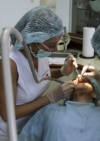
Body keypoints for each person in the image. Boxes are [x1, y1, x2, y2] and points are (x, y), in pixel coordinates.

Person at [0, 6, 77, 140]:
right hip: (8, 134)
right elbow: (7, 114)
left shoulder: (38, 53)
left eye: (57, 44)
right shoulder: (9, 64)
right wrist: (51, 97)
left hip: (29, 127)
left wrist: (62, 71)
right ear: (32, 41)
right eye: (52, 45)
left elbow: (37, 78)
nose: (55, 50)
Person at [18, 76, 100, 141]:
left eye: (87, 81)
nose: (80, 79)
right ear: (66, 92)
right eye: (75, 81)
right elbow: (26, 138)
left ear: (95, 94)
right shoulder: (49, 111)